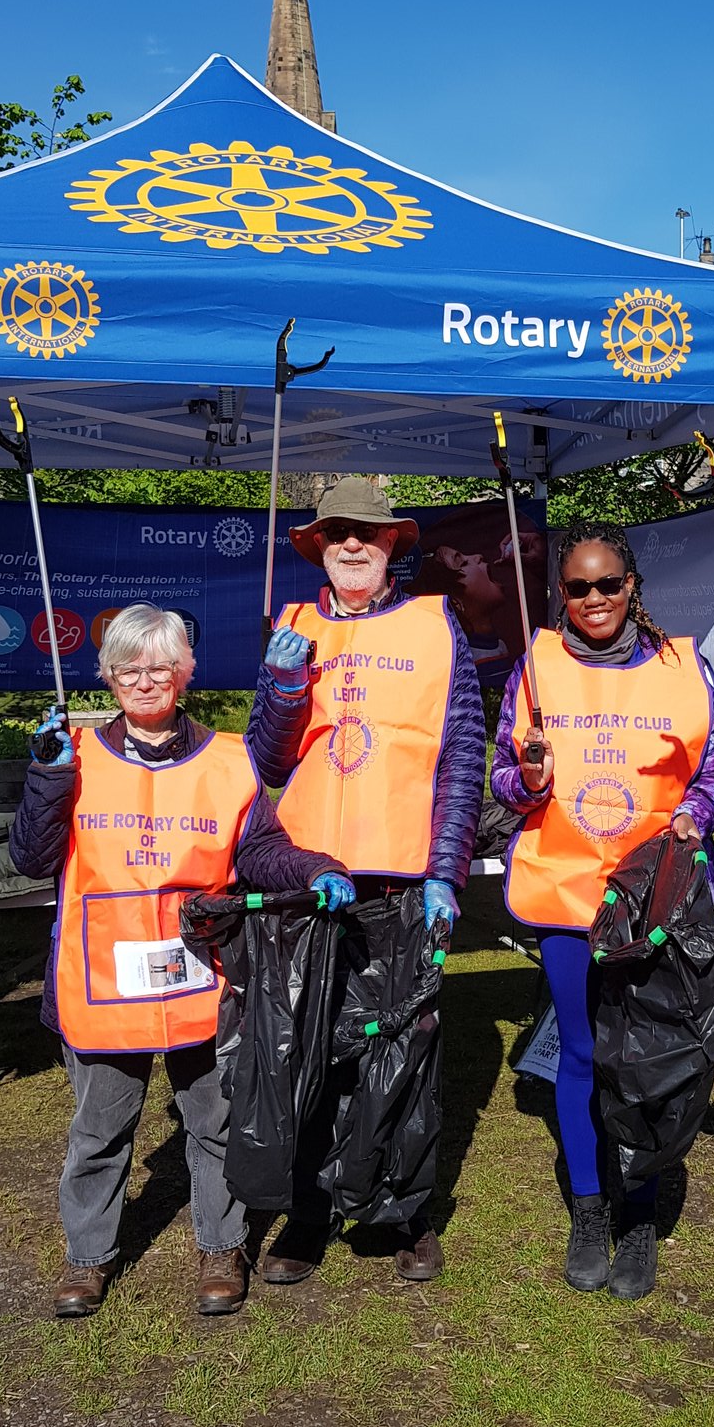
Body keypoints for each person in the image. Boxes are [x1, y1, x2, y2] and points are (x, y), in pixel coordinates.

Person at [10, 604, 353, 1321]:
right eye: (129, 667)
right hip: (100, 976)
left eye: (161, 665)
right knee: (100, 1128)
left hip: (203, 971)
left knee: (215, 1120)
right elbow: (31, 859)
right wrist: (47, 781)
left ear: (186, 672)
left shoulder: (230, 759)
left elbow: (256, 851)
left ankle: (222, 1245)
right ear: (106, 675)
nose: (145, 679)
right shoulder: (71, 754)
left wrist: (312, 867)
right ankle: (87, 1258)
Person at [249, 477, 486, 1284]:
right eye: (337, 533)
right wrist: (281, 691)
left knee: (409, 1052)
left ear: (393, 547)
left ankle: (405, 1210)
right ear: (318, 546)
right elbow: (266, 761)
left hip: (403, 883)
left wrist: (445, 875)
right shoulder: (293, 624)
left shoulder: (435, 625)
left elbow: (461, 758)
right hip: (313, 884)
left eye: (369, 533)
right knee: (309, 1050)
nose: (353, 544)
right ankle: (307, 1215)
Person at [490, 521, 714, 1300]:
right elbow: (505, 782)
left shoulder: (683, 668)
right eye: (577, 588)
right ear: (561, 594)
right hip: (566, 891)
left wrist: (697, 813)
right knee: (586, 1054)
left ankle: (641, 1214)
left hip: (652, 898)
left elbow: (712, 773)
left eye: (607, 585)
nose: (593, 599)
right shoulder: (537, 665)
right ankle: (590, 1210)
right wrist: (527, 777)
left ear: (633, 588)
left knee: (649, 1057)